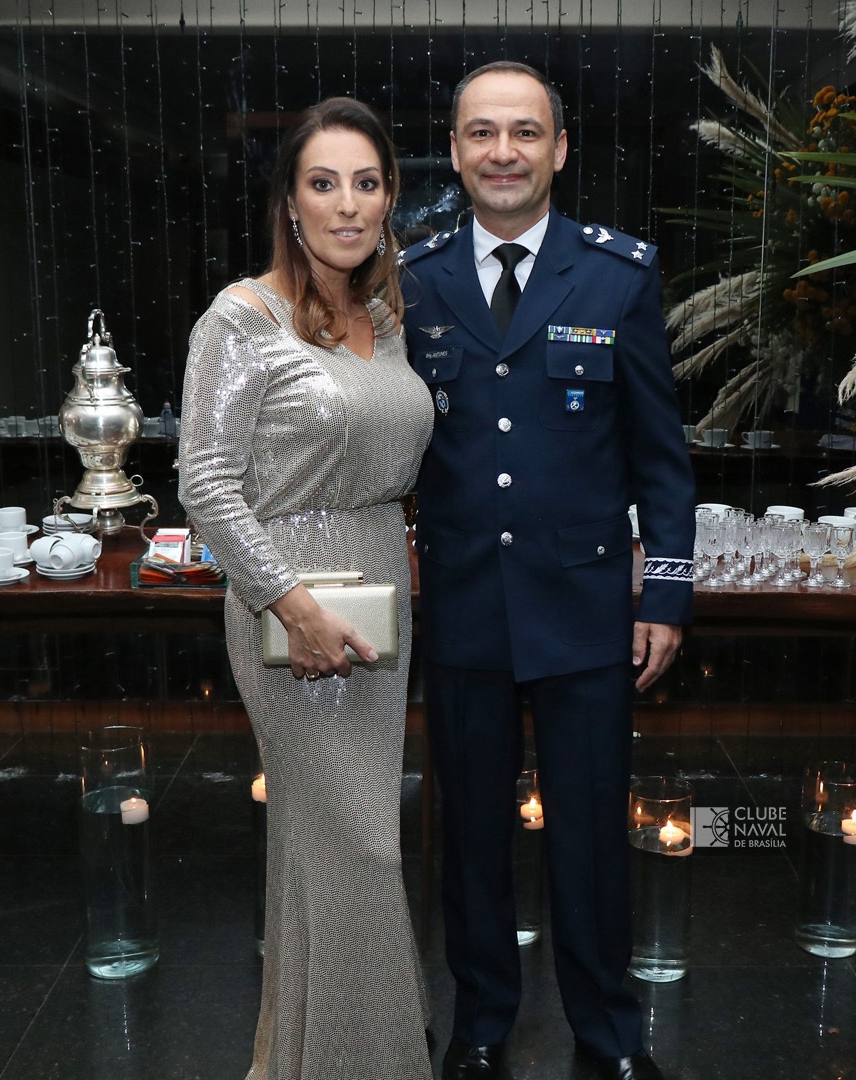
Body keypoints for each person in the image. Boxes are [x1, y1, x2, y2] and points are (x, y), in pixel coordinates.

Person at [400, 62, 695, 1080]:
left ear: (560, 149)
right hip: (465, 605)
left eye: (525, 132)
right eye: (482, 133)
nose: (504, 152)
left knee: (591, 839)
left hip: (585, 609)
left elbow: (661, 458)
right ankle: (481, 1026)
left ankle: (608, 1036)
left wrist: (665, 594)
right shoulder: (412, 279)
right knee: (472, 837)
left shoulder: (618, 274)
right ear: (454, 151)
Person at [177, 97, 433, 1080]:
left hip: (378, 609)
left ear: (390, 196)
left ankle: (302, 1059)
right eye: (324, 184)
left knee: (323, 849)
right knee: (363, 850)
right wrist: (289, 603)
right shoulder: (240, 319)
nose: (347, 204)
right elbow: (205, 482)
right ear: (290, 201)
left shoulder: (384, 317)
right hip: (291, 617)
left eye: (367, 183)